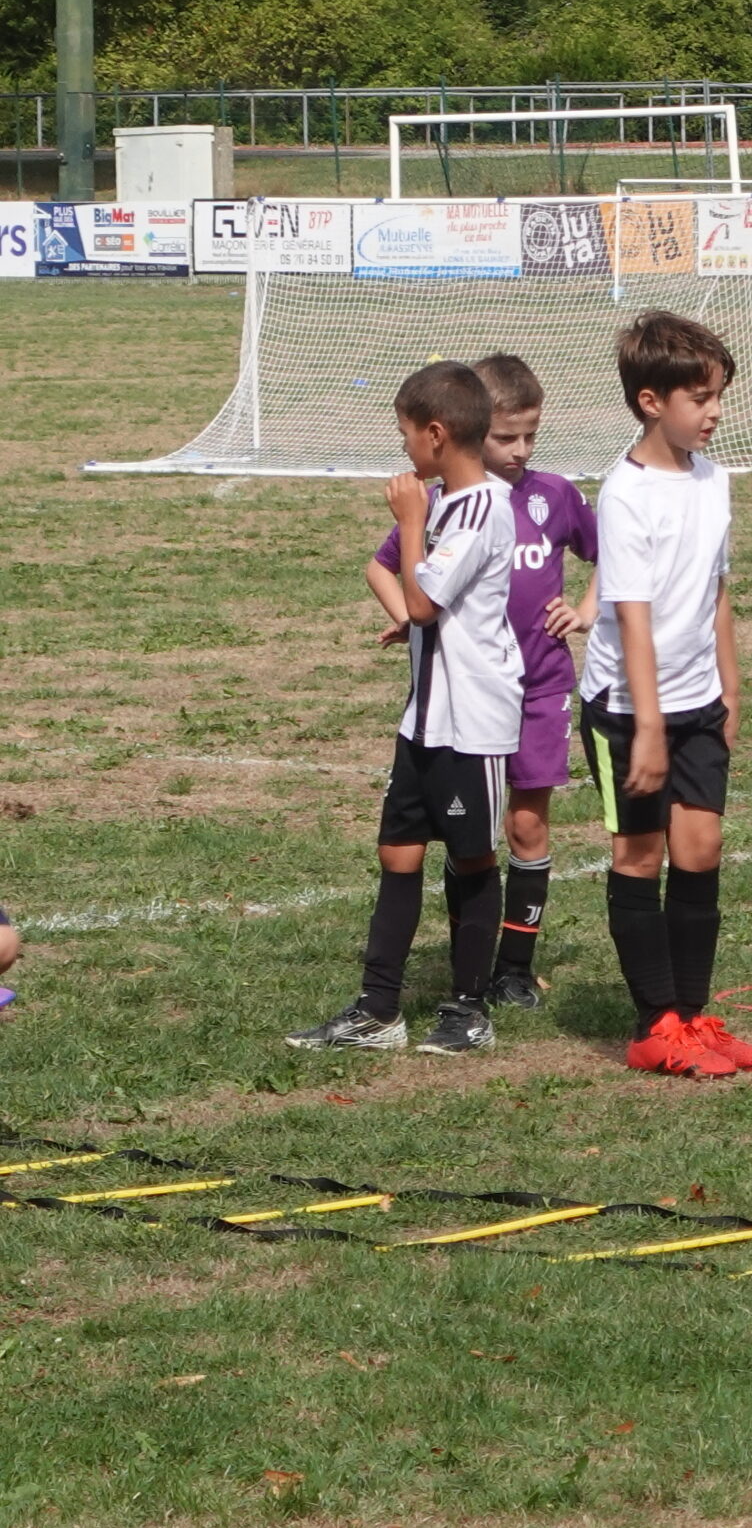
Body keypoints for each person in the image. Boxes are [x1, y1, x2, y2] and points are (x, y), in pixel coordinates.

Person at [290, 362, 524, 1056]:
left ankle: (467, 1006)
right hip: (423, 717)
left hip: (472, 720)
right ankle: (378, 1008)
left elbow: (424, 597)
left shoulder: (481, 506)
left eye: (405, 437)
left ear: (436, 433)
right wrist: (411, 616)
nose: (403, 453)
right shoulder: (449, 503)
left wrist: (412, 521)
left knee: (472, 860)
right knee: (397, 853)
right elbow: (418, 605)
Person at [368, 355, 595, 1010]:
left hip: (530, 687)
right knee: (459, 834)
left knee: (521, 829)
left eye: (530, 436)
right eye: (506, 436)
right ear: (472, 430)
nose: (521, 451)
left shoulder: (541, 498)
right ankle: (452, 976)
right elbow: (394, 576)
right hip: (455, 699)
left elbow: (605, 554)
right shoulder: (449, 504)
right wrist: (412, 626)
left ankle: (510, 969)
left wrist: (582, 608)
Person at [580, 312, 752, 1079]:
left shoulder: (714, 478)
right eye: (701, 397)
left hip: (696, 699)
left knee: (702, 848)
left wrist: (731, 685)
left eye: (719, 394)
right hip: (630, 708)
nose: (716, 411)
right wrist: (651, 726)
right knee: (639, 854)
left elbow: (717, 590)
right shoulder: (624, 496)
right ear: (651, 401)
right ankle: (652, 1026)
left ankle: (693, 1016)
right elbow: (631, 616)